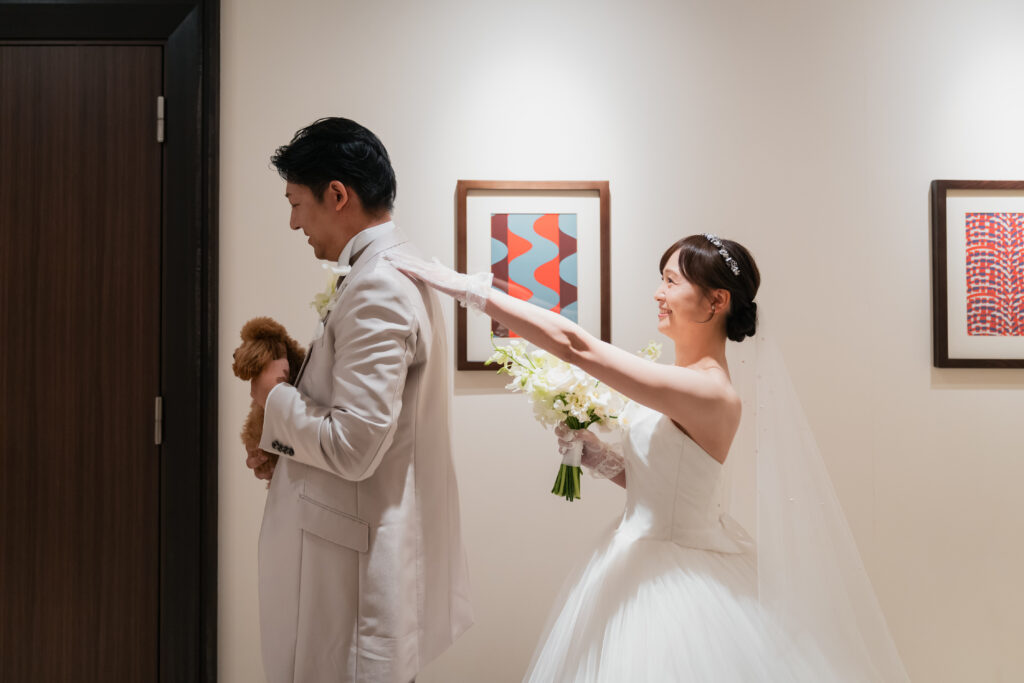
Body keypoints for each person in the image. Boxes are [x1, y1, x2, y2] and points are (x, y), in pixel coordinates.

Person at [386, 234, 910, 682]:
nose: (658, 294)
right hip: (632, 550)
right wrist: (597, 456)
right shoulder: (683, 383)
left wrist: (470, 290)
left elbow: (576, 346)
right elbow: (667, 480)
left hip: (677, 582)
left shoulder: (710, 391)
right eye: (661, 280)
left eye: (671, 282)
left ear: (715, 301)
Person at [247, 117, 472, 683]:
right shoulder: (387, 269)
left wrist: (274, 398)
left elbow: (354, 446)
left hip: (353, 575)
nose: (294, 222)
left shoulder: (378, 285)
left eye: (296, 203)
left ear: (337, 195)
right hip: (354, 551)